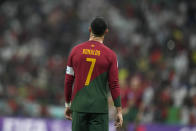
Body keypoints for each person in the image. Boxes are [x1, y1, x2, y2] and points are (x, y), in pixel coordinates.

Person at [64, 17, 123, 131]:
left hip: (79, 107)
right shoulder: (111, 55)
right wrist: (119, 110)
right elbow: (114, 84)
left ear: (89, 29)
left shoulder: (75, 51)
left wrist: (67, 104)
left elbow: (68, 81)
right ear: (106, 31)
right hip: (99, 109)